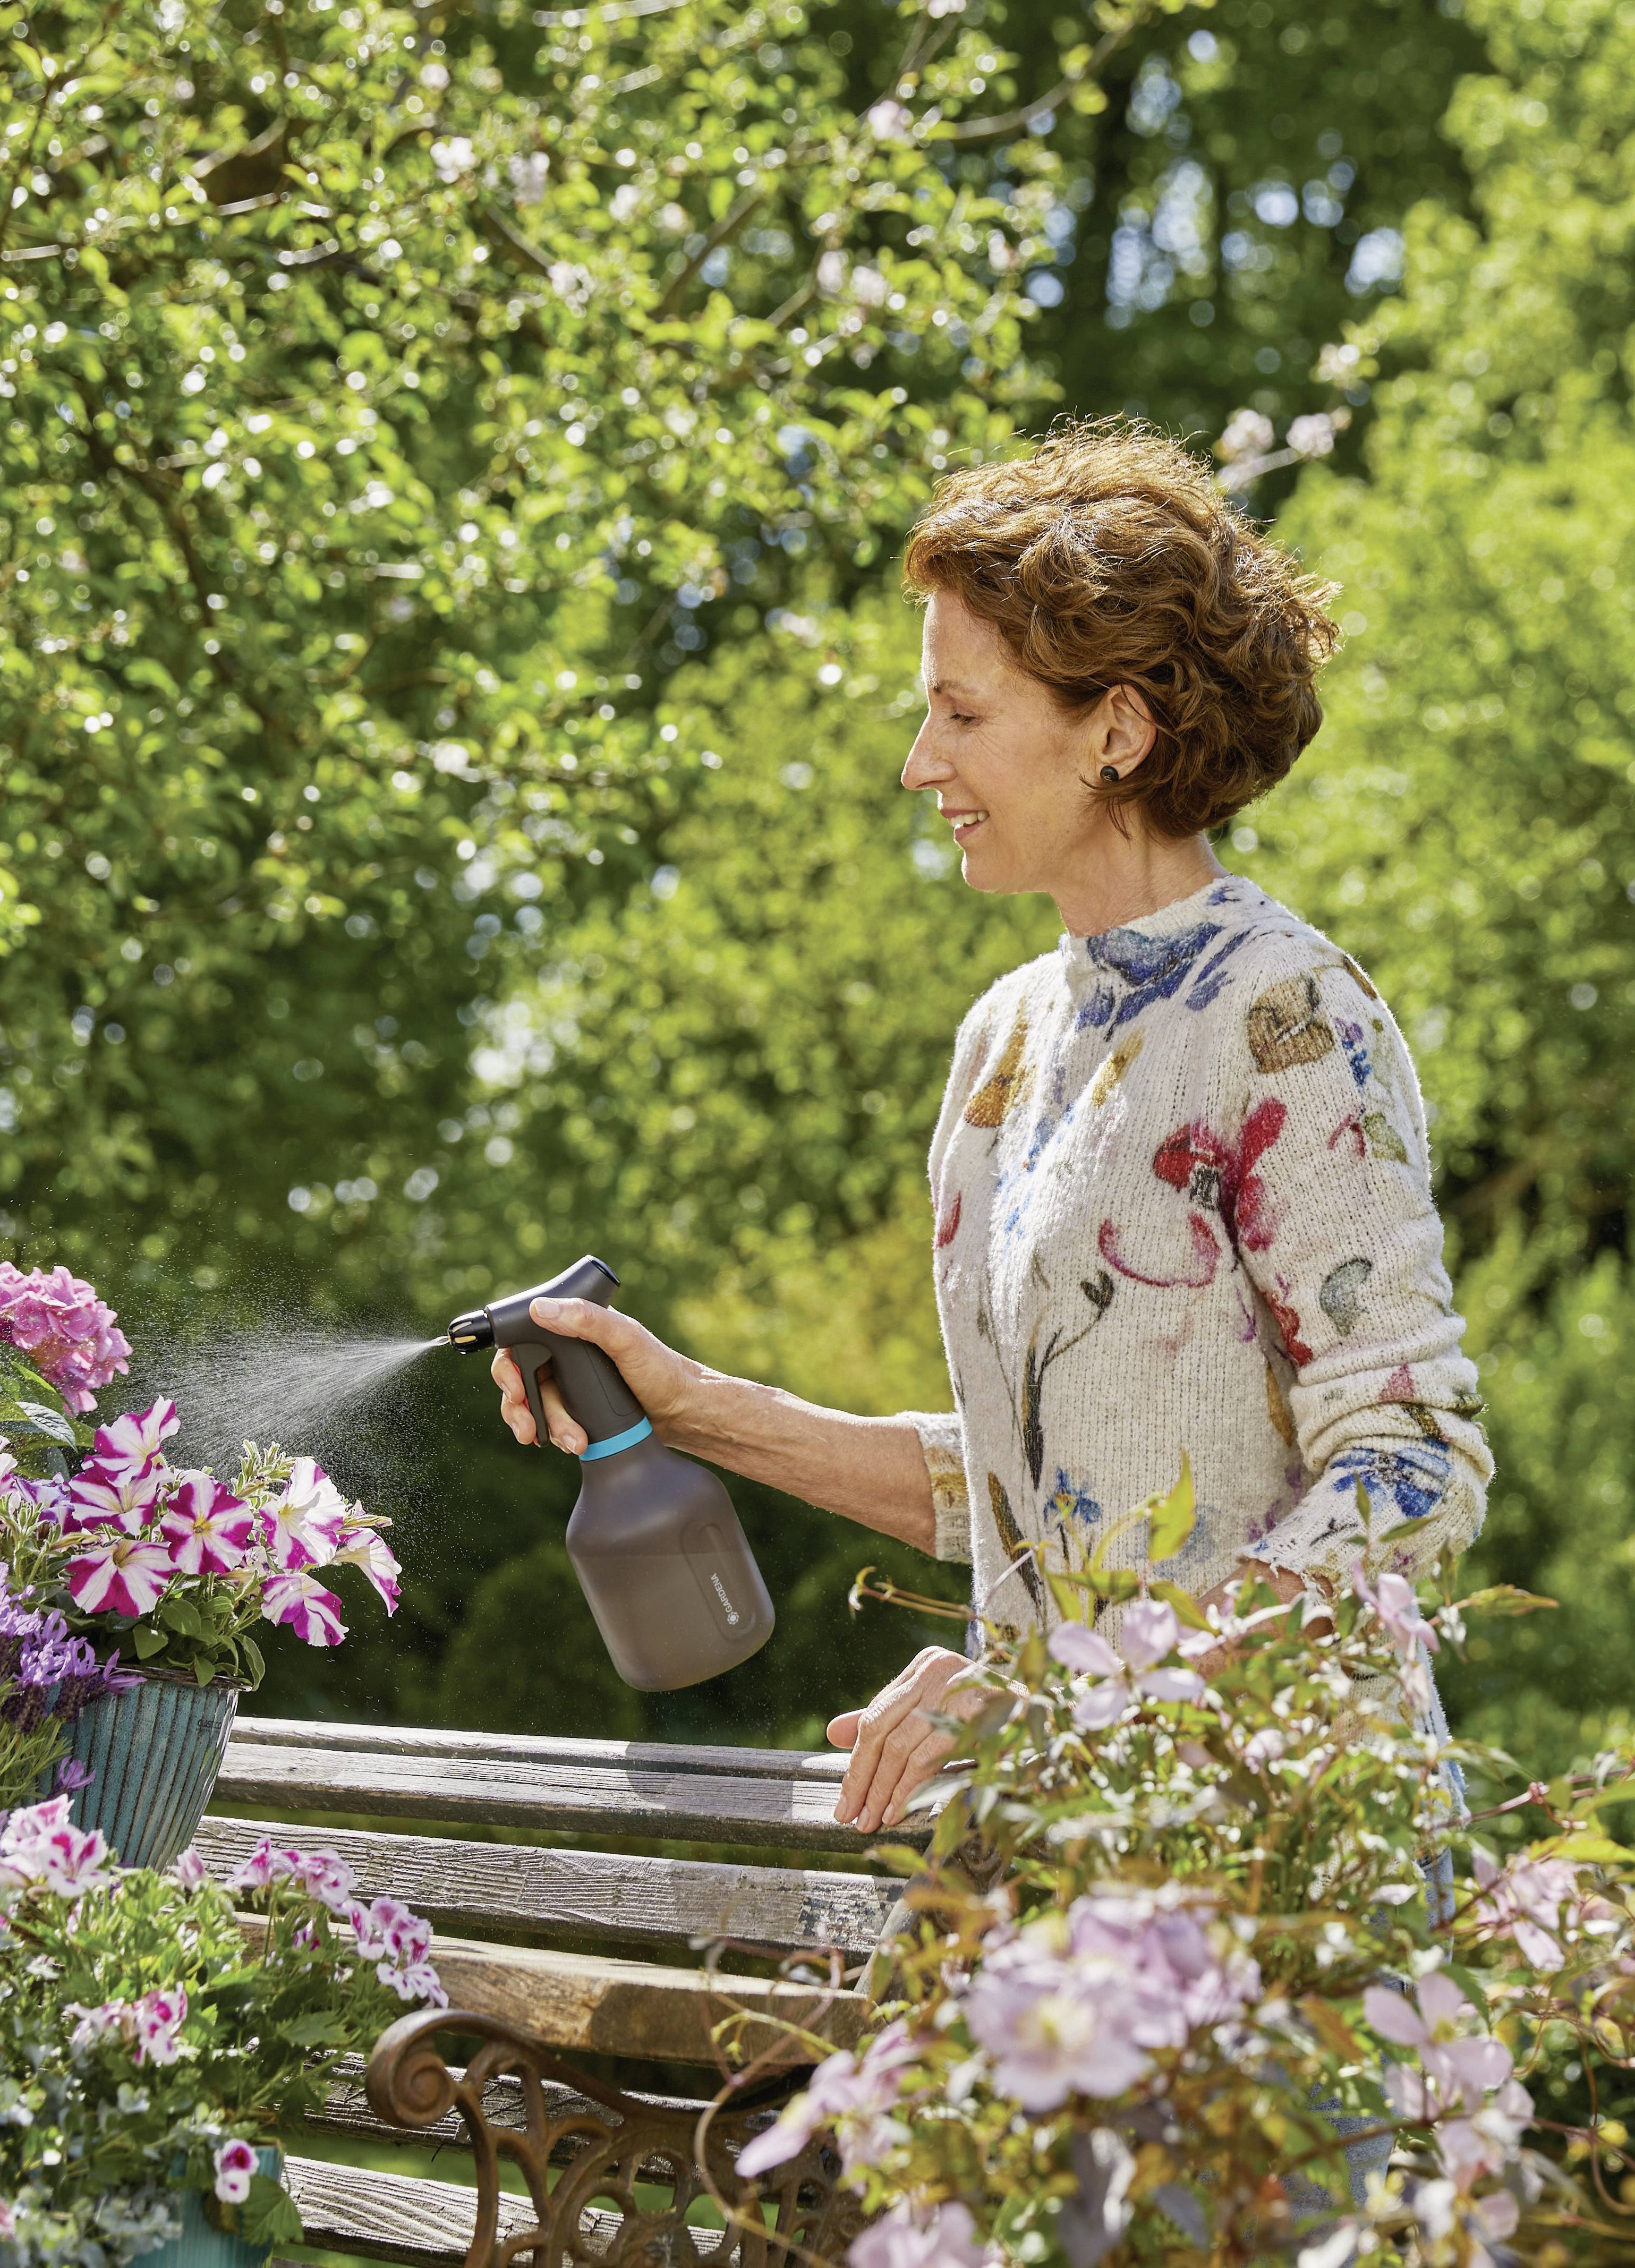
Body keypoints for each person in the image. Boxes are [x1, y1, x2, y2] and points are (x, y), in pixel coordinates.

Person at [490, 420, 1491, 1828]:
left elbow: (1410, 1471)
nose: (916, 763)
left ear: (1118, 732)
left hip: (1282, 1861)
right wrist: (690, 1407)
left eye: (961, 715)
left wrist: (1068, 1693)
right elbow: (1025, 1491)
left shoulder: (1284, 1015)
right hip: (1063, 1843)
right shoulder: (1006, 1047)